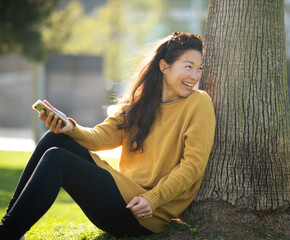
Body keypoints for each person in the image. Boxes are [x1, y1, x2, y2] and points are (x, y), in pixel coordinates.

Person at [0, 32, 216, 239]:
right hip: (120, 195)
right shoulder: (140, 101)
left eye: (199, 69)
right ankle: (9, 225)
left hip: (145, 214)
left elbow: (192, 166)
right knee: (54, 139)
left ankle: (7, 233)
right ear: (164, 66)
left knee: (57, 158)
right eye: (188, 67)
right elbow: (102, 137)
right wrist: (70, 129)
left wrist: (153, 199)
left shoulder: (198, 102)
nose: (195, 76)